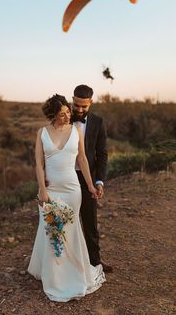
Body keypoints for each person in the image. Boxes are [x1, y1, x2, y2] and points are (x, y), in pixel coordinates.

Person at [28, 94, 105, 302]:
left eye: (68, 112)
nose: (67, 116)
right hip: (51, 190)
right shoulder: (41, 133)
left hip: (72, 190)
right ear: (52, 115)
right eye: (62, 114)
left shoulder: (77, 131)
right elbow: (38, 164)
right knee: (51, 229)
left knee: (70, 230)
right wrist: (42, 190)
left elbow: (82, 159)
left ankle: (72, 270)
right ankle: (54, 274)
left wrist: (90, 185)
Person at [72, 84, 112, 272]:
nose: (79, 110)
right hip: (65, 178)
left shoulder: (98, 122)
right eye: (76, 105)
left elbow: (102, 154)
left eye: (84, 106)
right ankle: (67, 263)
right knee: (65, 222)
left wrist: (99, 181)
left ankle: (95, 262)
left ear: (91, 103)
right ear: (72, 100)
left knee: (90, 222)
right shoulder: (63, 118)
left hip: (88, 178)